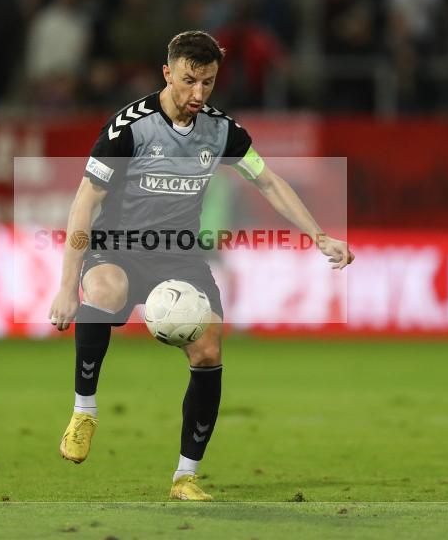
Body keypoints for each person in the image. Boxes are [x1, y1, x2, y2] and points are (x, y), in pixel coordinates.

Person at [48, 31, 353, 501]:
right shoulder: (127, 128)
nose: (198, 94)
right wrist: (68, 285)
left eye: (208, 83)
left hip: (179, 252)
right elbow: (85, 202)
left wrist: (319, 235)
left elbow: (269, 182)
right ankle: (84, 411)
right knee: (104, 291)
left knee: (209, 351)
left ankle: (185, 477)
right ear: (167, 72)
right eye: (189, 80)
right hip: (119, 245)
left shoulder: (223, 131)